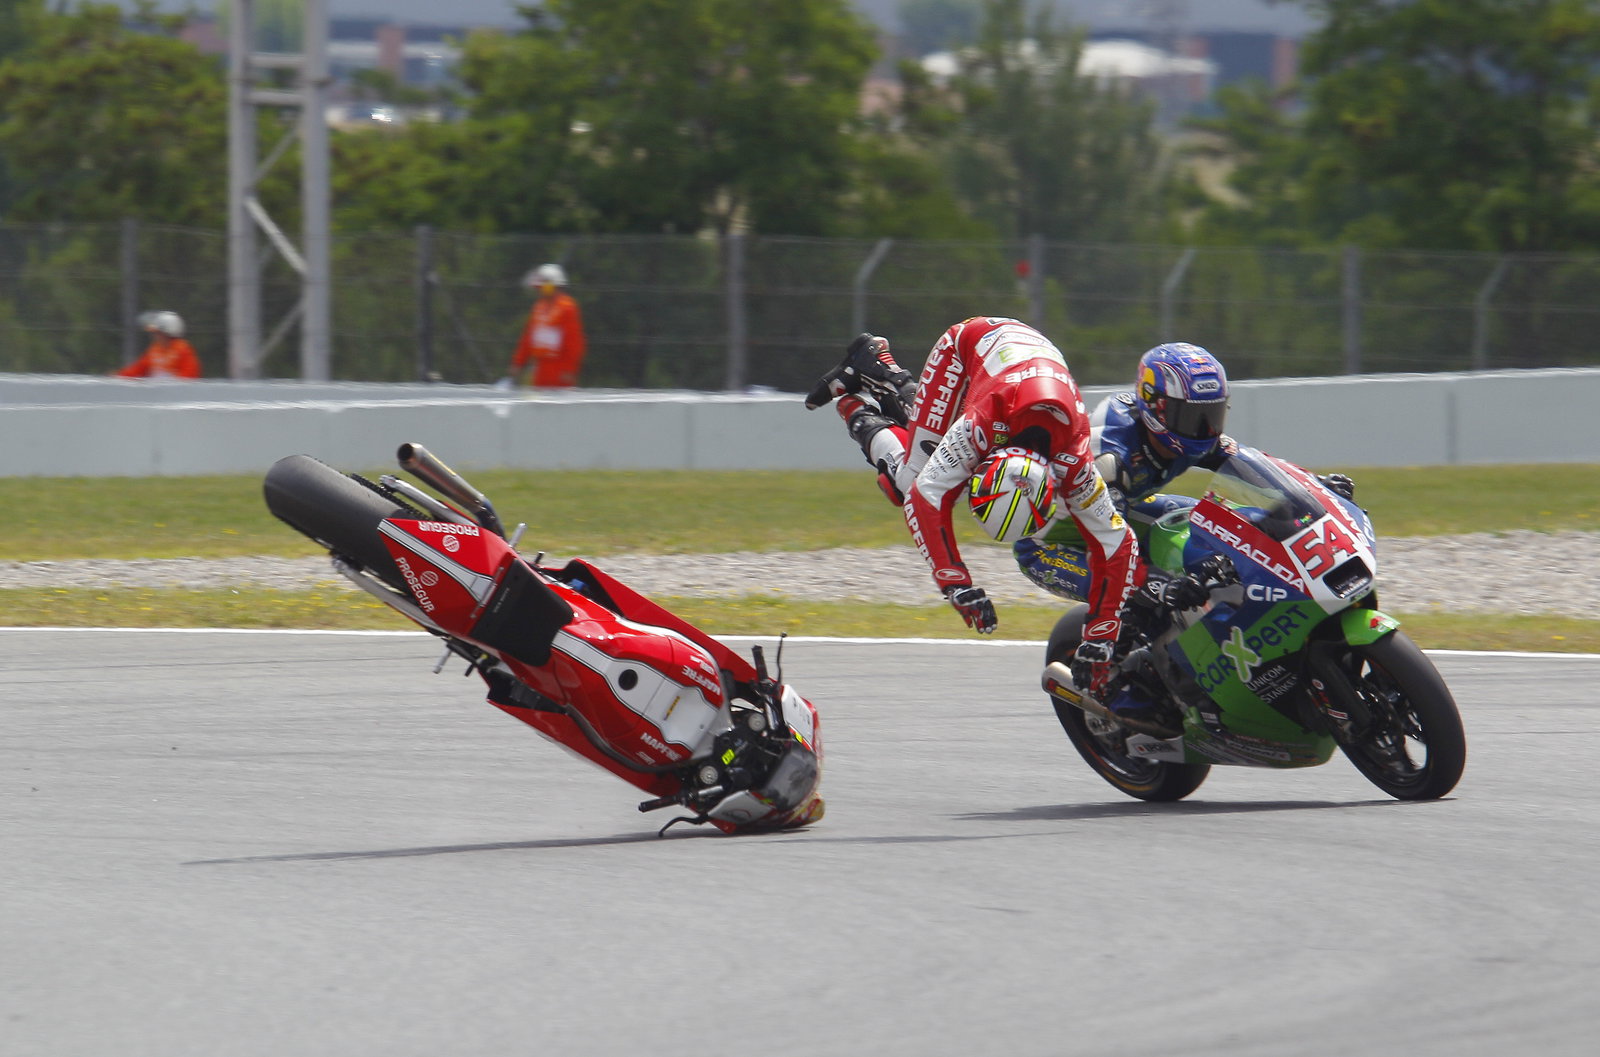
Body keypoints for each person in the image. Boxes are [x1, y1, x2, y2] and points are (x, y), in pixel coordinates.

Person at [806, 318, 1146, 722]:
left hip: (1021, 368)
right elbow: (925, 497)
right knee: (907, 480)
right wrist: (956, 585)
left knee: (927, 447)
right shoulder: (981, 427)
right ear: (980, 467)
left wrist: (1101, 637)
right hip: (973, 345)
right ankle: (858, 400)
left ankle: (877, 373)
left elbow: (1117, 543)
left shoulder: (1073, 464)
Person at [1013, 341, 1355, 603]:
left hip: (1122, 512)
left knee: (1213, 523)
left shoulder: (1198, 437)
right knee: (1141, 595)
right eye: (1191, 418)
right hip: (1052, 543)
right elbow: (1110, 547)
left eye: (1211, 415)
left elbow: (1251, 465)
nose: (1203, 430)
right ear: (1154, 406)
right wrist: (1162, 585)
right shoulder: (1111, 456)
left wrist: (1312, 489)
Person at [504, 263, 586, 389]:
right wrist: (518, 363)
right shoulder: (538, 307)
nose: (538, 290)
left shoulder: (567, 307)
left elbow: (574, 343)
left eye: (540, 286)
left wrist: (569, 368)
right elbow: (527, 339)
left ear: (551, 285)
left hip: (560, 370)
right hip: (540, 369)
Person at [115, 311, 200, 379]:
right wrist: (118, 377)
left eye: (158, 332)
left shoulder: (183, 350)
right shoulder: (155, 349)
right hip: (157, 394)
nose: (155, 336)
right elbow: (137, 369)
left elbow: (189, 377)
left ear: (167, 332)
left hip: (176, 396)